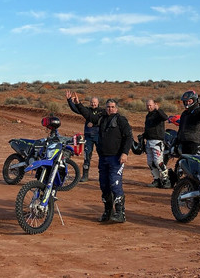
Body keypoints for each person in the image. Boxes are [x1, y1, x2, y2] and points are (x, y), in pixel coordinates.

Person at [65, 91, 133, 223]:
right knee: (104, 185)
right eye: (108, 107)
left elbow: (129, 137)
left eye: (112, 107)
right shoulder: (101, 119)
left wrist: (125, 153)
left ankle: (120, 213)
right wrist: (78, 104)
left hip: (116, 158)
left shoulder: (121, 120)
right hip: (103, 158)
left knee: (115, 183)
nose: (110, 109)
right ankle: (108, 211)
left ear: (116, 108)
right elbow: (88, 115)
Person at [67, 94, 102, 182]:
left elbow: (103, 121)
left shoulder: (102, 111)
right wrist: (69, 101)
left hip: (99, 136)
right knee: (87, 156)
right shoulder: (87, 110)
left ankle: (103, 175)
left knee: (102, 156)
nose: (93, 104)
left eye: (95, 102)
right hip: (88, 137)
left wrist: (94, 124)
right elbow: (76, 109)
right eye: (92, 102)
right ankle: (85, 176)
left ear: (98, 103)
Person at [142, 98, 170, 188]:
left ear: (154, 104)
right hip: (149, 141)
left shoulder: (158, 114)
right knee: (150, 162)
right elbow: (148, 128)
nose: (149, 107)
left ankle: (166, 179)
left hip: (157, 141)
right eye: (147, 106)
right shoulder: (148, 116)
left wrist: (158, 109)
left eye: (150, 105)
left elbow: (165, 117)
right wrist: (143, 136)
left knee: (158, 161)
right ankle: (156, 179)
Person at [175, 90, 200, 156]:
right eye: (186, 101)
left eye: (189, 101)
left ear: (194, 101)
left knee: (194, 163)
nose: (187, 103)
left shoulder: (198, 111)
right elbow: (181, 127)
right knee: (184, 162)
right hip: (184, 142)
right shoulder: (185, 113)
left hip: (195, 143)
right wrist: (177, 140)